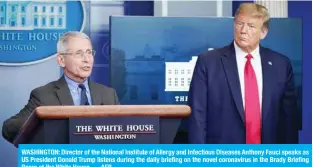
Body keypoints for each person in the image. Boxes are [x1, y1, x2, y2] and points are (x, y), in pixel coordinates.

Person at [188, 3, 299, 144]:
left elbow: (289, 121)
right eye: (240, 23)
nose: (243, 30)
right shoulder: (209, 62)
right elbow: (197, 116)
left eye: (251, 26)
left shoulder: (281, 65)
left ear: (263, 32)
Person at [2, 31, 119, 143]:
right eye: (79, 53)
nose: (87, 59)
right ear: (61, 60)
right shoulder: (44, 96)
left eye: (89, 52)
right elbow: (9, 128)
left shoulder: (108, 94)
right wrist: (46, 132)